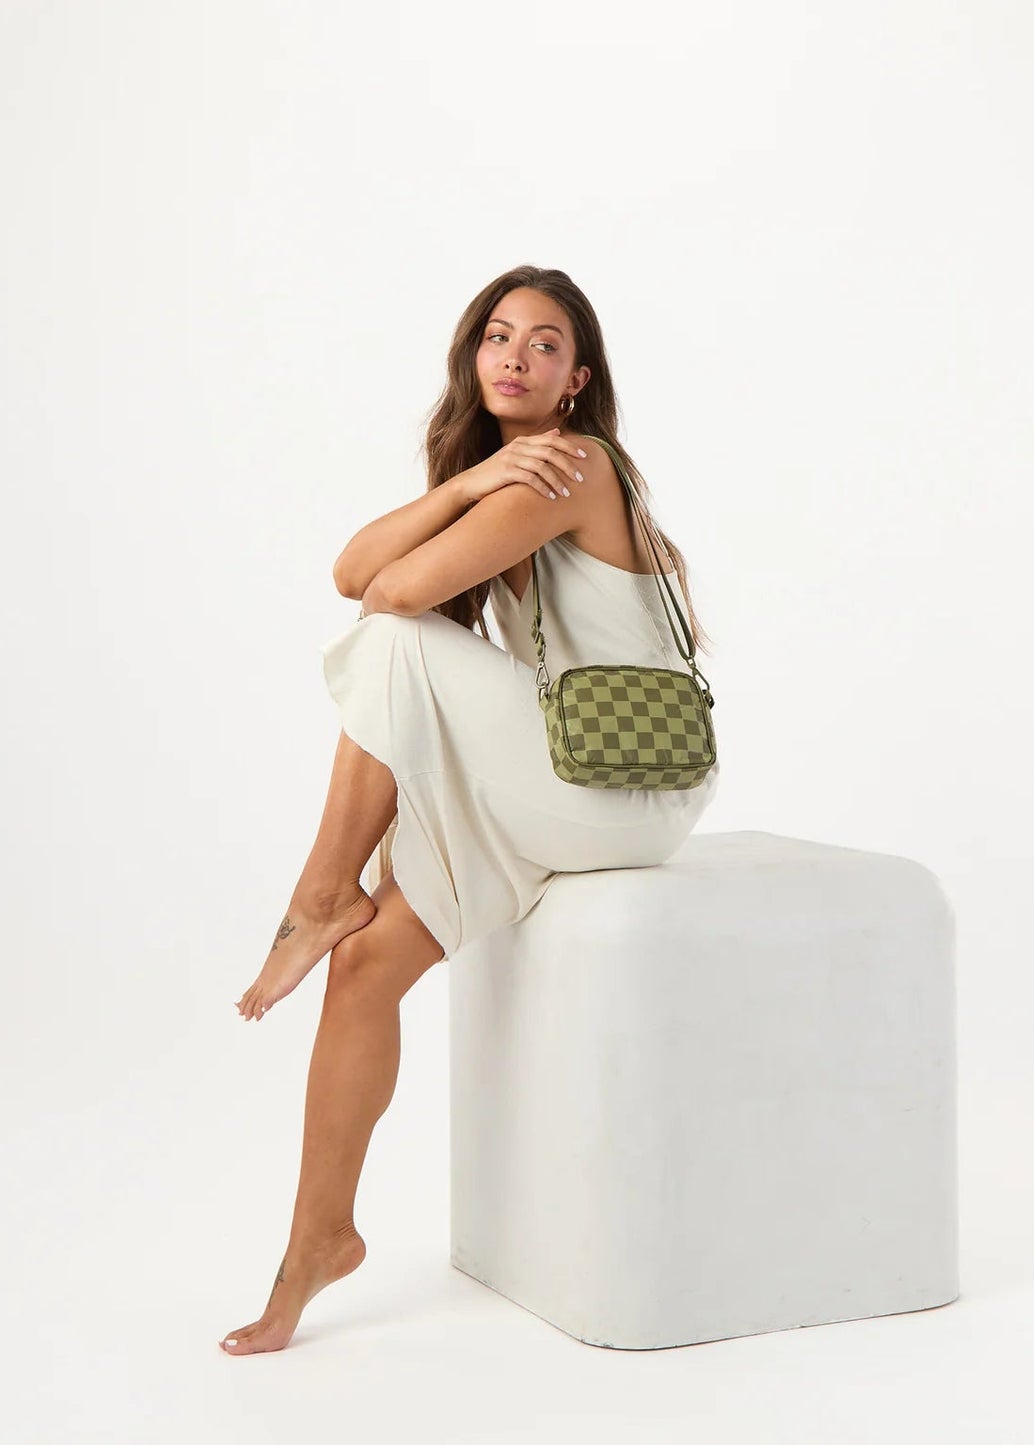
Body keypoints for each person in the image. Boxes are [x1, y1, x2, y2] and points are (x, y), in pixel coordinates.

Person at [219, 265, 721, 1355]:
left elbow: (390, 596)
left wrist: (476, 489)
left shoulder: (575, 462)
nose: (516, 357)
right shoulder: (504, 475)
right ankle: (317, 1242)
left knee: (394, 641)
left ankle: (320, 893)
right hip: (560, 782)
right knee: (367, 968)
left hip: (622, 788)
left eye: (545, 344)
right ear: (472, 355)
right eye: (498, 336)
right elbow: (351, 568)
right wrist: (464, 483)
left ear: (577, 378)